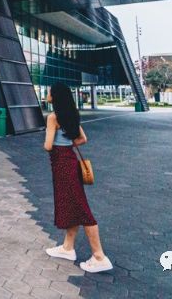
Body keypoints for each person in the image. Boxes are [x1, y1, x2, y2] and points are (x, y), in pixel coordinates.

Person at [43, 83, 112, 273]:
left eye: (50, 91)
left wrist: (53, 141)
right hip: (70, 162)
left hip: (61, 164)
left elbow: (48, 146)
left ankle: (99, 257)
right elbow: (82, 139)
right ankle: (67, 247)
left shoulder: (53, 118)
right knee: (72, 204)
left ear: (55, 96)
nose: (48, 93)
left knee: (81, 208)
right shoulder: (71, 115)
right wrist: (66, 143)